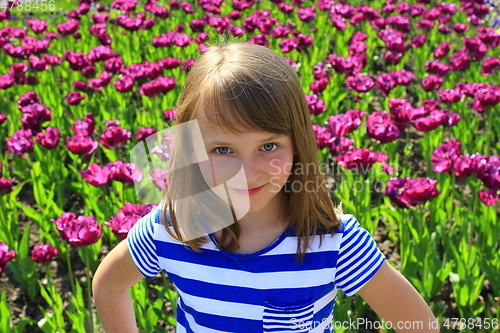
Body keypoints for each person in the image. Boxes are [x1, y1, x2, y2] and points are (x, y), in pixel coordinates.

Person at [92, 42, 439, 333]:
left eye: (268, 146)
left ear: (298, 143)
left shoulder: (332, 240)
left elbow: (419, 324)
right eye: (223, 150)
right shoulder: (172, 228)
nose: (248, 172)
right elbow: (108, 285)